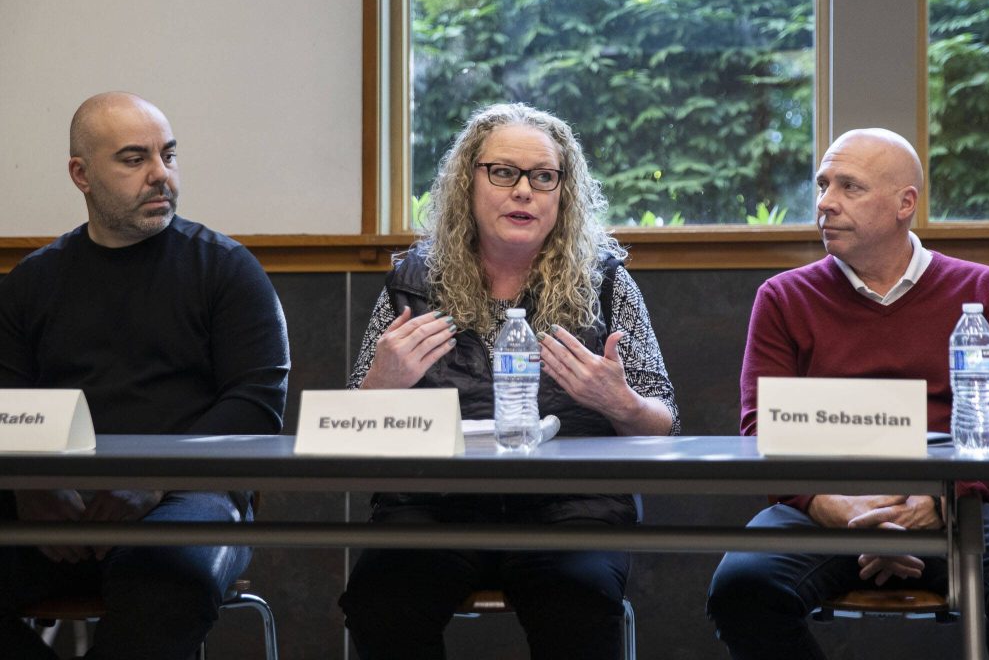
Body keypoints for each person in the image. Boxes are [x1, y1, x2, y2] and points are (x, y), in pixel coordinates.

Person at [339, 102, 679, 659]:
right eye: (503, 172)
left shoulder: (607, 283)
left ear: (563, 193)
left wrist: (620, 403)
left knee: (578, 601)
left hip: (572, 509)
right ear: (466, 184)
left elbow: (664, 424)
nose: (524, 191)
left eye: (543, 177)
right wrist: (379, 385)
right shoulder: (412, 284)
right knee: (382, 601)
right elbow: (351, 429)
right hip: (434, 506)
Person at [706, 128, 989, 659]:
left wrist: (939, 504)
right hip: (819, 506)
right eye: (822, 184)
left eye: (849, 187)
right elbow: (760, 430)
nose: (825, 203)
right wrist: (830, 506)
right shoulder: (783, 297)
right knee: (742, 589)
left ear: (906, 204)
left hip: (950, 504)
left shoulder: (980, 290)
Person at [0, 91, 290, 660]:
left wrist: (157, 476)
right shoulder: (31, 283)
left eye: (170, 156)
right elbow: (6, 403)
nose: (162, 176)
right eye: (134, 159)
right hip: (57, 498)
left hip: (188, 492)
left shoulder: (227, 269)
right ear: (81, 174)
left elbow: (256, 406)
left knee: (165, 583)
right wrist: (27, 485)